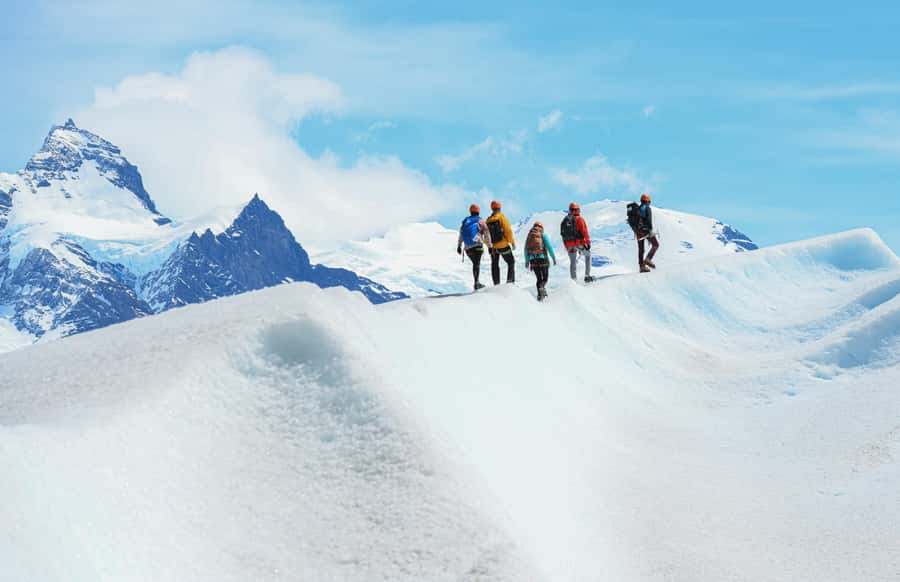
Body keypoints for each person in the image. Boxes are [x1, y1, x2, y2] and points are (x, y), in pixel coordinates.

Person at [457, 204, 492, 290]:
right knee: (477, 264)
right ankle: (476, 283)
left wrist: (459, 246)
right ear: (478, 211)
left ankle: (477, 282)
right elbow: (486, 233)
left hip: (467, 248)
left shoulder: (465, 221)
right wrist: (490, 246)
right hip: (477, 246)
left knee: (475, 263)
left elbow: (461, 234)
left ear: (470, 211)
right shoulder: (480, 221)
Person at [523, 221, 557, 301]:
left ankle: (539, 296)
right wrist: (553, 258)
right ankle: (542, 288)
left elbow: (525, 250)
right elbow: (549, 247)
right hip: (542, 258)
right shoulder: (543, 235)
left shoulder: (529, 236)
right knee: (544, 278)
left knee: (538, 279)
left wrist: (527, 261)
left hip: (532, 260)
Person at [560, 202, 593, 282]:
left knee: (573, 262)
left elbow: (562, 234)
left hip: (569, 244)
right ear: (577, 210)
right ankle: (587, 276)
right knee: (588, 255)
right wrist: (588, 243)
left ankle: (574, 280)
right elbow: (584, 231)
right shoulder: (579, 219)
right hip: (579, 243)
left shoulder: (564, 220)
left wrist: (566, 246)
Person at [485, 200, 516, 285]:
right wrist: (512, 242)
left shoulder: (488, 220)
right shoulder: (502, 218)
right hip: (503, 245)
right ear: (500, 208)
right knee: (511, 262)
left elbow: (485, 235)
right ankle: (510, 282)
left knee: (494, 264)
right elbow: (508, 231)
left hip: (493, 248)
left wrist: (489, 246)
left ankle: (496, 284)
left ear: (492, 208)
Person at [635, 193, 660, 273]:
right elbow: (649, 220)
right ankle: (648, 259)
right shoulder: (647, 208)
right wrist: (650, 230)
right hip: (645, 230)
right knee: (655, 244)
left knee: (641, 249)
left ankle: (642, 267)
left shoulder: (637, 209)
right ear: (648, 201)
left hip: (637, 231)